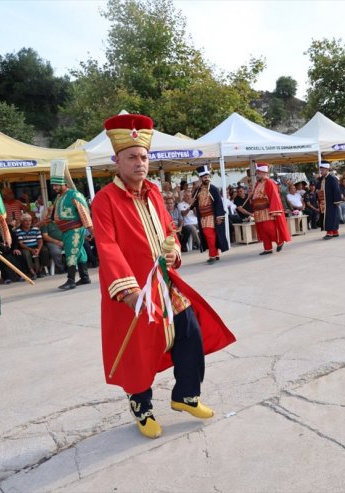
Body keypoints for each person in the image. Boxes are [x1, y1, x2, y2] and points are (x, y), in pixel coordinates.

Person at [91, 113, 236, 439]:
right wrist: (128, 292)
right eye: (131, 157)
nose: (140, 163)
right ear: (117, 161)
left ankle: (186, 394)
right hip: (131, 289)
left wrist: (173, 251)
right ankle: (141, 408)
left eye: (143, 157)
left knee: (190, 330)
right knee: (136, 350)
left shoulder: (155, 192)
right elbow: (107, 247)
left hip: (164, 283)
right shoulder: (104, 200)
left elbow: (167, 231)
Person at [50, 161, 94, 290]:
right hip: (66, 230)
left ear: (64, 182)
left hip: (74, 229)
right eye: (53, 185)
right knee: (79, 252)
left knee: (71, 253)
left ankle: (71, 280)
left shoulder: (74, 195)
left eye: (56, 185)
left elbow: (84, 212)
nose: (54, 188)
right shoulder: (59, 196)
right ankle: (85, 277)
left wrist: (90, 230)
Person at [249, 162, 291, 255]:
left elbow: (274, 196)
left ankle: (279, 241)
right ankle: (267, 248)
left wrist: (274, 210)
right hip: (258, 211)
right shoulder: (257, 183)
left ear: (263, 172)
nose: (257, 175)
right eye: (257, 173)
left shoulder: (269, 182)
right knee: (263, 230)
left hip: (267, 210)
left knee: (269, 228)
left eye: (258, 173)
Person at [192, 165, 229, 264]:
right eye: (204, 177)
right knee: (209, 235)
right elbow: (193, 202)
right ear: (200, 178)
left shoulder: (213, 188)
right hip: (202, 217)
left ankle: (212, 256)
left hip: (211, 216)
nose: (207, 178)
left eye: (208, 177)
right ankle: (215, 254)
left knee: (210, 235)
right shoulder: (198, 190)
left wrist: (219, 216)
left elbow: (219, 203)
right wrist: (195, 188)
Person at [14, 213, 47, 280]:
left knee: (44, 251)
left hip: (36, 245)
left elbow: (40, 240)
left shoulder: (35, 229)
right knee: (26, 254)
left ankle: (40, 270)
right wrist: (31, 250)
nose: (28, 222)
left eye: (29, 220)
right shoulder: (18, 230)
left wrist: (38, 249)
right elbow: (21, 244)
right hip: (25, 247)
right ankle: (32, 272)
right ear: (22, 222)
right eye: (26, 221)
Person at [316, 160, 342, 239]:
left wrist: (337, 201)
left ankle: (330, 232)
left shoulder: (332, 178)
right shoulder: (320, 179)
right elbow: (317, 187)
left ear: (327, 169)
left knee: (331, 216)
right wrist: (317, 190)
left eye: (323, 169)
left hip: (331, 201)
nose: (321, 171)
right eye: (320, 169)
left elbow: (337, 190)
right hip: (323, 201)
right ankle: (334, 232)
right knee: (327, 216)